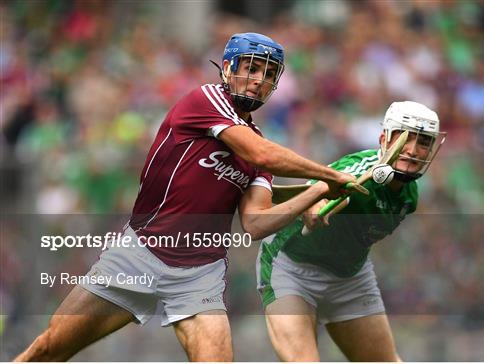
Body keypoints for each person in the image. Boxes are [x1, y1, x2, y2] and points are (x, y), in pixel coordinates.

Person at [15, 32, 359, 362]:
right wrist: (330, 174)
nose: (259, 79)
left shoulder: (260, 149)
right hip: (139, 255)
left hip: (200, 275)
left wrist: (318, 191)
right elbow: (262, 155)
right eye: (251, 68)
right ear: (228, 68)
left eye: (269, 74)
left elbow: (256, 223)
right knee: (48, 351)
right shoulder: (207, 100)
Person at [257, 101, 446, 361]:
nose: (412, 150)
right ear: (384, 139)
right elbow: (318, 190)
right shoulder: (361, 174)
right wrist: (316, 204)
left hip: (350, 278)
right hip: (290, 269)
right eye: (404, 138)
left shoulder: (410, 195)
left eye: (423, 142)